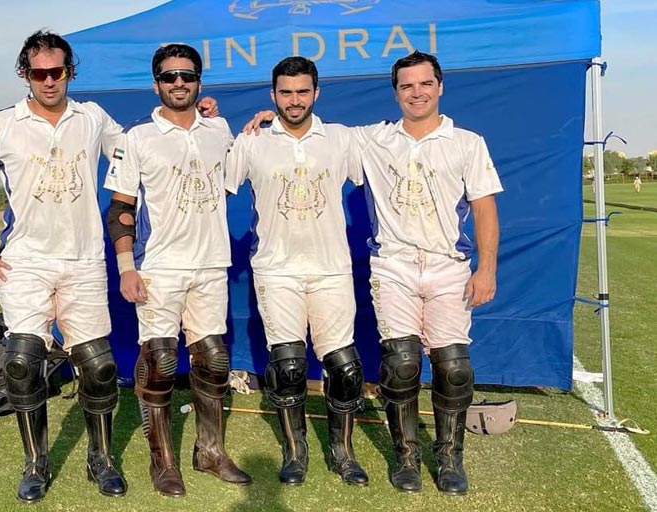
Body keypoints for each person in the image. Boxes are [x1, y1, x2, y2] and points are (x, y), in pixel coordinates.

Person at [0, 31, 129, 503]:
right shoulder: (1, 124)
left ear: (70, 71)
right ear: (24, 74)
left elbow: (137, 152)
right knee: (22, 362)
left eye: (57, 71)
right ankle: (36, 462)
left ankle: (101, 459)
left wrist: (197, 116)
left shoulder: (92, 118)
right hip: (25, 261)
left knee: (99, 366)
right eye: (38, 73)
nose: (49, 81)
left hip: (84, 259)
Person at [104, 43, 251, 498]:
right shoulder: (137, 137)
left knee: (214, 359)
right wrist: (126, 267)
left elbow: (233, 174)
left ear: (199, 82)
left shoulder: (218, 128)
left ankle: (210, 452)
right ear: (157, 85)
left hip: (210, 263)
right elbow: (121, 209)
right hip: (159, 267)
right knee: (160, 362)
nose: (179, 83)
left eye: (187, 75)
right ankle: (163, 461)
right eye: (170, 77)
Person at [363, 51, 502, 496]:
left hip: (448, 268)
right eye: (407, 85)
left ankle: (449, 458)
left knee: (454, 368)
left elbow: (484, 208)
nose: (416, 92)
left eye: (425, 84)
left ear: (439, 87)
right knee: (401, 364)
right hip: (394, 265)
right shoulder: (373, 140)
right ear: (396, 92)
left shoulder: (467, 142)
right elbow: (312, 134)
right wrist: (266, 118)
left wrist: (487, 268)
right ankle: (406, 456)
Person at [226, 56, 369, 487]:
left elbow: (397, 147)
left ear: (316, 93)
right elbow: (212, 180)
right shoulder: (252, 141)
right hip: (276, 271)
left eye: (302, 91)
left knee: (344, 367)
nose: (294, 100)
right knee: (287, 366)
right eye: (285, 93)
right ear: (273, 95)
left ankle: (342, 452)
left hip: (331, 269)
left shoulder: (342, 138)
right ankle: (295, 451)